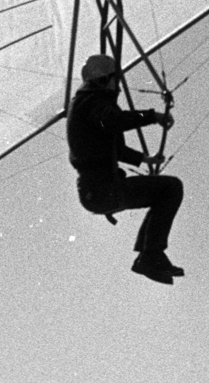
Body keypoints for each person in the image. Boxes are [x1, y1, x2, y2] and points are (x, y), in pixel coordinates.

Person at [66, 54, 184, 284]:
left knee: (163, 190)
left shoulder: (86, 103)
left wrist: (145, 159)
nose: (118, 85)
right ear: (105, 80)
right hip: (102, 189)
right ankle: (150, 256)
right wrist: (152, 116)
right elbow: (112, 121)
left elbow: (113, 148)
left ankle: (149, 255)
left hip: (97, 191)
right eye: (115, 79)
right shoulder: (92, 102)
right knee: (171, 188)